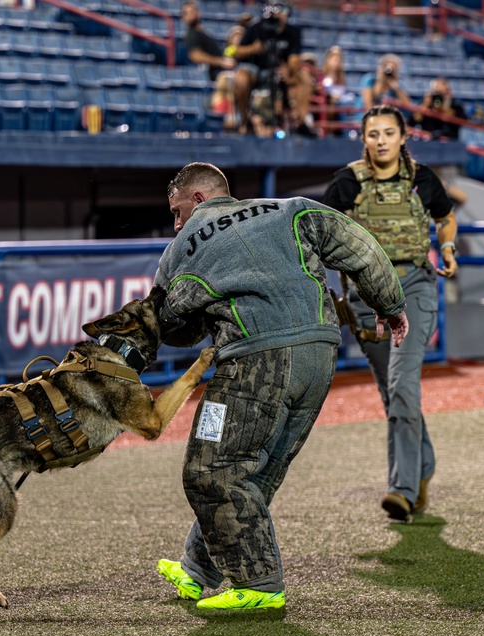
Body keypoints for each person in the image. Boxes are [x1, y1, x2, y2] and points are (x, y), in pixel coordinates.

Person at [153, 162, 408, 610]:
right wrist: (390, 305)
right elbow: (362, 248)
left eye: (177, 212)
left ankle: (259, 586)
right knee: (259, 470)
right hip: (320, 355)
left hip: (255, 361)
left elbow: (171, 326)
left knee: (209, 470)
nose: (176, 224)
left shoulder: (182, 248)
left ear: (199, 200)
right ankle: (198, 569)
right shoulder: (292, 208)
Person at [321, 105, 458, 522]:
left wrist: (448, 247)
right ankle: (424, 469)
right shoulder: (347, 182)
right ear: (363, 139)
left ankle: (401, 488)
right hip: (366, 300)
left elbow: (446, 218)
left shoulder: (422, 179)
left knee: (402, 383)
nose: (381, 140)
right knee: (393, 393)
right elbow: (321, 230)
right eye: (373, 134)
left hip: (414, 287)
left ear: (403, 138)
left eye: (388, 133)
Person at [232, 2, 316, 136]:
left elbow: (294, 58)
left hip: (281, 70)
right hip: (257, 70)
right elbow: (235, 51)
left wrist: (288, 71)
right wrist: (253, 48)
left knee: (305, 78)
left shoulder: (293, 32)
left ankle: (300, 122)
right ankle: (246, 118)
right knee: (241, 78)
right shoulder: (256, 28)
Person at [181, 1, 235, 84]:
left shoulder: (201, 32)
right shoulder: (191, 34)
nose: (191, 14)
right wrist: (221, 62)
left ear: (199, 13)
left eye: (192, 11)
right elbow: (195, 55)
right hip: (216, 73)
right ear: (183, 18)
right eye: (186, 13)